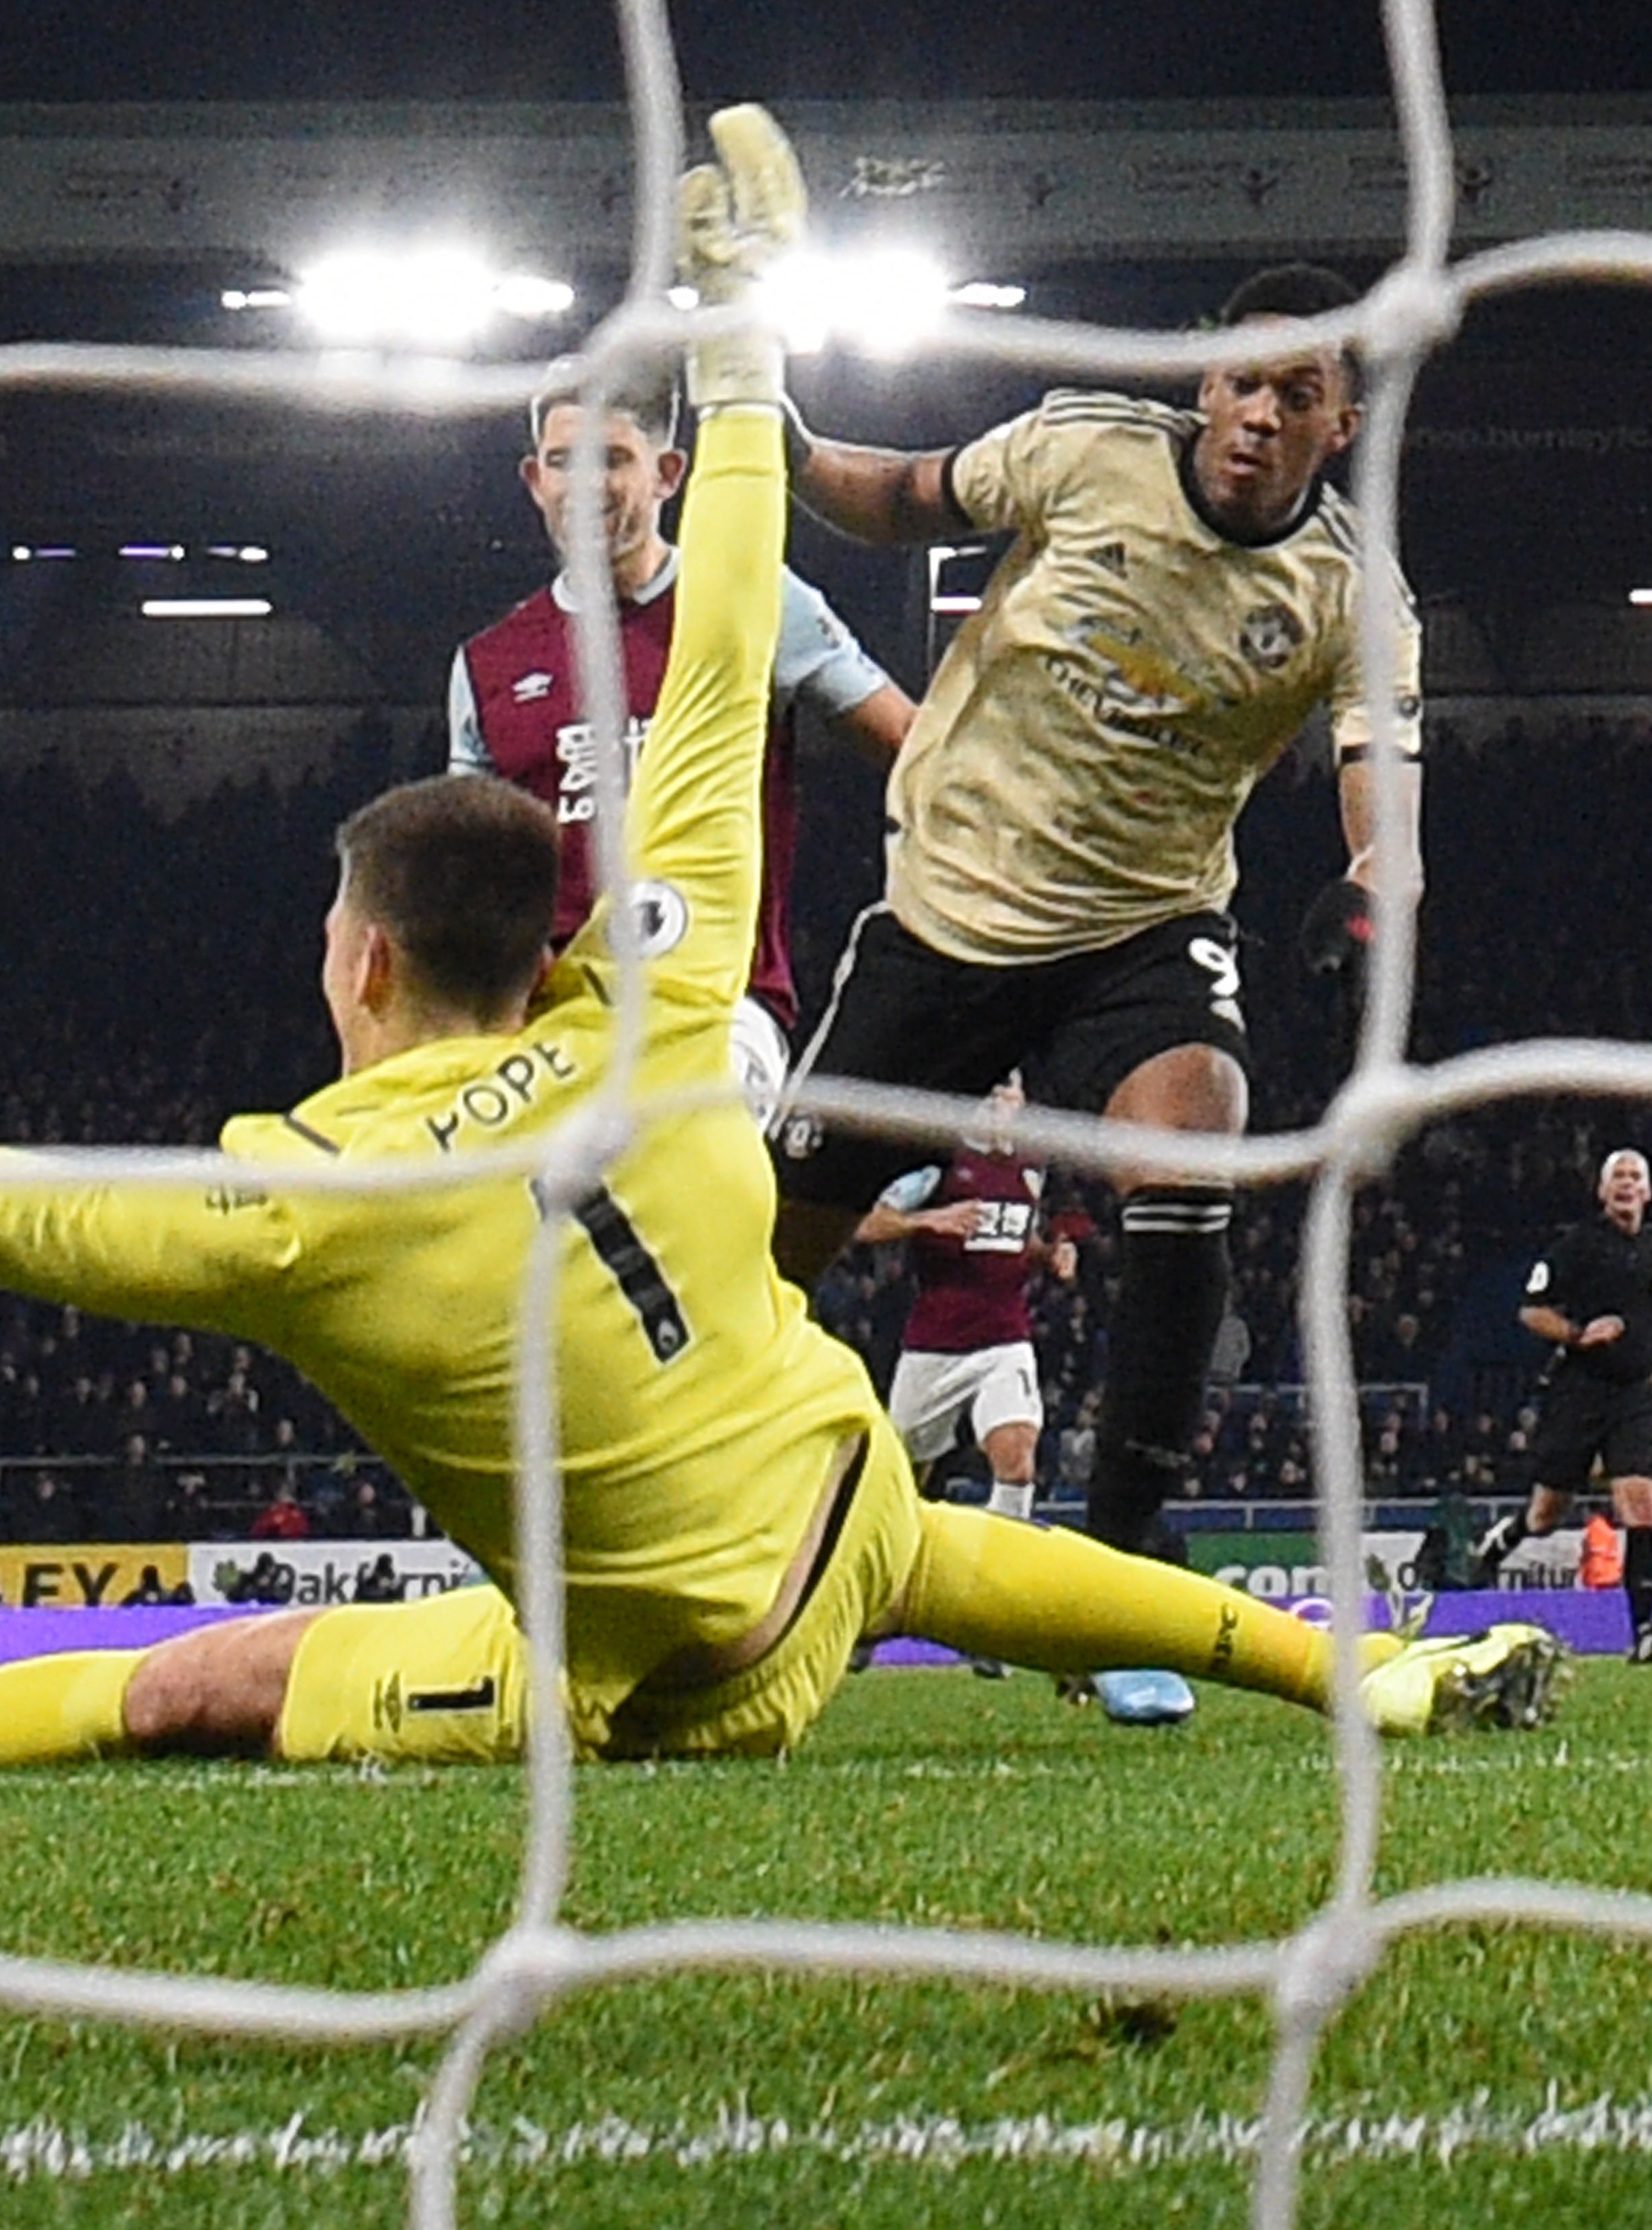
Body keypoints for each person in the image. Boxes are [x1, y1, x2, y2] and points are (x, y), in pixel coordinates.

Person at [0, 107, 1555, 1774]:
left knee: (198, 1687)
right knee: (899, 1482)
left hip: (669, 1675)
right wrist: (745, 346)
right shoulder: (668, 1000)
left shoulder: (300, 1203)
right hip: (850, 1506)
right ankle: (1371, 1661)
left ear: (367, 959)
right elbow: (718, 659)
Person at [767, 262, 1426, 1577]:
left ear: (1337, 426)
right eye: (1241, 382)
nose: (1256, 415)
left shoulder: (1350, 592)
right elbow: (897, 498)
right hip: (946, 916)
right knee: (776, 1241)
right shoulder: (1081, 449)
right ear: (1203, 381)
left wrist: (1368, 881)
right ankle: (705, 1501)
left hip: (1140, 932)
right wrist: (775, 443)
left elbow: (1385, 788)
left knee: (1196, 1155)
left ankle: (1121, 1558)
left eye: (1295, 395)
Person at [448, 358, 914, 1116]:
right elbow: (466, 860)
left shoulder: (751, 598)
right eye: (563, 460)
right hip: (548, 1016)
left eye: (614, 460)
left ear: (668, 474)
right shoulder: (488, 662)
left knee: (675, 1180)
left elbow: (906, 743)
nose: (585, 484)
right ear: (533, 478)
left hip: (718, 1004)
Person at [1472, 1150, 1652, 1661]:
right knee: (1547, 1514)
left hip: (1634, 1394)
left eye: (1636, 1177)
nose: (1628, 1185)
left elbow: (1648, 1313)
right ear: (1603, 1192)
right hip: (1580, 1392)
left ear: (1648, 1193)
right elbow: (1530, 1310)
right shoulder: (1578, 1244)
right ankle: (1506, 1537)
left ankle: (1645, 1628)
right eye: (1619, 1177)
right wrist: (1579, 1334)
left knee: (1643, 1505)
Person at [852, 1076, 1078, 1526]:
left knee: (1017, 1463)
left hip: (1004, 1339)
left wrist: (1049, 1254)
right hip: (935, 1344)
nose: (998, 1103)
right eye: (989, 1093)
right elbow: (867, 1225)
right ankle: (891, 1554)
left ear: (1022, 1103)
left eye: (1008, 1094)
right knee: (903, 1476)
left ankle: (1005, 1565)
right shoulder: (939, 1161)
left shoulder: (1032, 1164)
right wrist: (931, 1219)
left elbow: (1012, 1235)